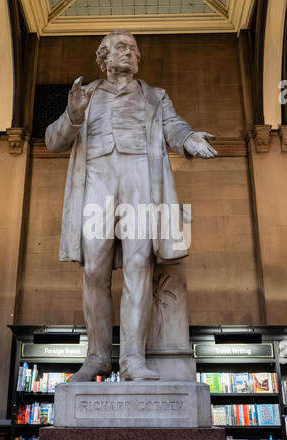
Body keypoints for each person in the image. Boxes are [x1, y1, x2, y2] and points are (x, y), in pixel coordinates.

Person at [45, 30, 217, 382]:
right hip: (98, 181)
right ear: (104, 56)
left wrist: (190, 139)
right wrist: (73, 116)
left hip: (141, 179)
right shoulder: (86, 95)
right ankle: (96, 358)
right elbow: (53, 141)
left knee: (140, 266)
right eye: (121, 47)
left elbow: (175, 127)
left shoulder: (154, 96)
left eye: (133, 49)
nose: (129, 53)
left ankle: (132, 360)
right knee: (94, 270)